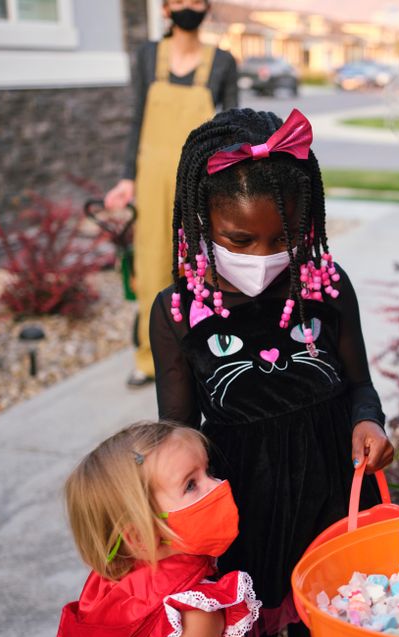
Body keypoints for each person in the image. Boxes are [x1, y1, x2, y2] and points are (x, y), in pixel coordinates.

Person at [150, 107, 395, 637]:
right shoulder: (178, 311)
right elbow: (175, 432)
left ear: (306, 224)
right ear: (202, 223)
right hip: (240, 515)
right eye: (238, 240)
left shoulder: (328, 287)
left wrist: (368, 418)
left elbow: (358, 382)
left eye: (279, 238)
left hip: (326, 500)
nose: (262, 257)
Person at [32, 420, 266, 637]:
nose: (218, 486)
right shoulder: (194, 612)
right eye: (190, 485)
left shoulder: (109, 584)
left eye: (207, 471)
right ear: (139, 535)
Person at [105, 0, 239, 389]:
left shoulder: (223, 62)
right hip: (151, 176)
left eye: (195, 0)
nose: (188, 6)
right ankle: (148, 359)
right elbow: (137, 119)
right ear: (165, 8)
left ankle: (205, 357)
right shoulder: (149, 56)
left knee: (201, 266)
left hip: (199, 176)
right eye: (179, 0)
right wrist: (127, 177)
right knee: (150, 269)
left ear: (206, 7)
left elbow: (232, 124)